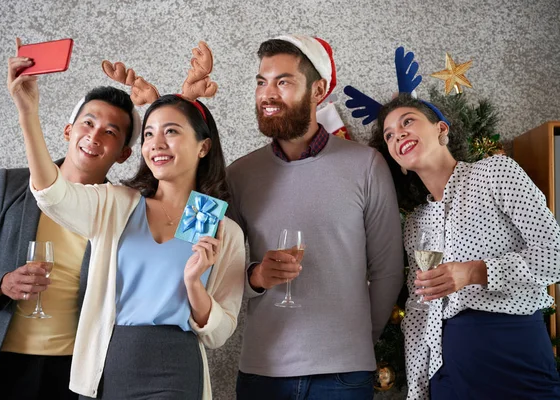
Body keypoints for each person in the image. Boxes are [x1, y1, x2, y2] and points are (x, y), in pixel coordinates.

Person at [7, 41, 245, 400]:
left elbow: (220, 331)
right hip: (112, 362)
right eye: (149, 133)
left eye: (172, 132)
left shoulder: (216, 224)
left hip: (178, 366)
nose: (156, 144)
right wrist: (28, 113)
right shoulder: (118, 204)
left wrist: (195, 285)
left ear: (203, 146)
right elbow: (51, 193)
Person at [227, 34, 404, 400]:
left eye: (283, 82)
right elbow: (216, 265)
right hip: (262, 371)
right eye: (261, 82)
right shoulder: (240, 174)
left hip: (344, 375)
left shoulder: (366, 165)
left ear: (318, 89)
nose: (267, 93)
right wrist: (256, 278)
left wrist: (355, 342)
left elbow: (388, 268)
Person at [0, 65, 137, 400]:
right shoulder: (9, 186)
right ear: (68, 130)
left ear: (124, 154)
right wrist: (0, 283)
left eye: (110, 132)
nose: (94, 136)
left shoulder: (123, 210)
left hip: (78, 372)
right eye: (88, 123)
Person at [370, 93, 560, 399]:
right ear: (397, 161)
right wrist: (418, 391)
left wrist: (476, 272)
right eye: (389, 135)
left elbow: (555, 255)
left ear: (442, 130)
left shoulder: (496, 173)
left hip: (513, 352)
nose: (398, 134)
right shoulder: (416, 224)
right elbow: (419, 311)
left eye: (408, 121)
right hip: (446, 372)